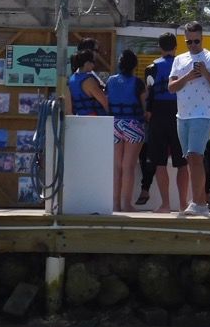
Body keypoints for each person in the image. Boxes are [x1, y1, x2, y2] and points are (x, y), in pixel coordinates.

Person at [167, 21, 210, 217]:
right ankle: (199, 203)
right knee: (190, 159)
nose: (193, 45)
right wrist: (189, 76)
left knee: (195, 156)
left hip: (203, 113)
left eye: (196, 41)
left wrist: (205, 73)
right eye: (189, 42)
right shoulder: (179, 60)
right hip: (182, 114)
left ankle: (199, 202)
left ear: (202, 38)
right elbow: (171, 87)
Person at [142, 32, 189, 212]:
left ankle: (166, 204)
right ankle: (184, 204)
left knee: (160, 161)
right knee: (182, 161)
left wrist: (148, 112)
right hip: (180, 112)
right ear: (176, 46)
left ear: (160, 47)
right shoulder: (183, 65)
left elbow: (150, 93)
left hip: (158, 114)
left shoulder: (151, 67)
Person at [106, 49, 148, 212]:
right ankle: (126, 204)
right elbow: (144, 106)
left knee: (117, 166)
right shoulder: (138, 83)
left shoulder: (110, 81)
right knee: (128, 166)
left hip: (114, 124)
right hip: (133, 124)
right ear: (134, 65)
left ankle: (115, 205)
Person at [66, 50, 108, 115]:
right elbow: (104, 102)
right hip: (94, 119)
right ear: (87, 63)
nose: (94, 65)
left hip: (79, 118)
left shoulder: (71, 80)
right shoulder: (89, 81)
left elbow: (69, 108)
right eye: (93, 62)